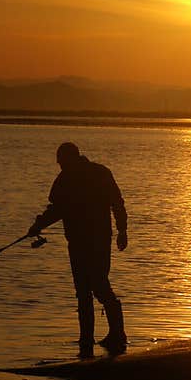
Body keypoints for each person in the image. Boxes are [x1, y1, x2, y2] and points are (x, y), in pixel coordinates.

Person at [28, 142, 128, 358]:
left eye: (62, 162)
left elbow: (116, 203)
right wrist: (38, 225)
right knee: (84, 292)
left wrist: (122, 230)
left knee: (98, 286)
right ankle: (86, 341)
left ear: (71, 158)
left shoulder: (96, 174)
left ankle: (116, 334)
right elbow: (58, 209)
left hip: (96, 241)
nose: (60, 166)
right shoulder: (75, 177)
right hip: (79, 242)